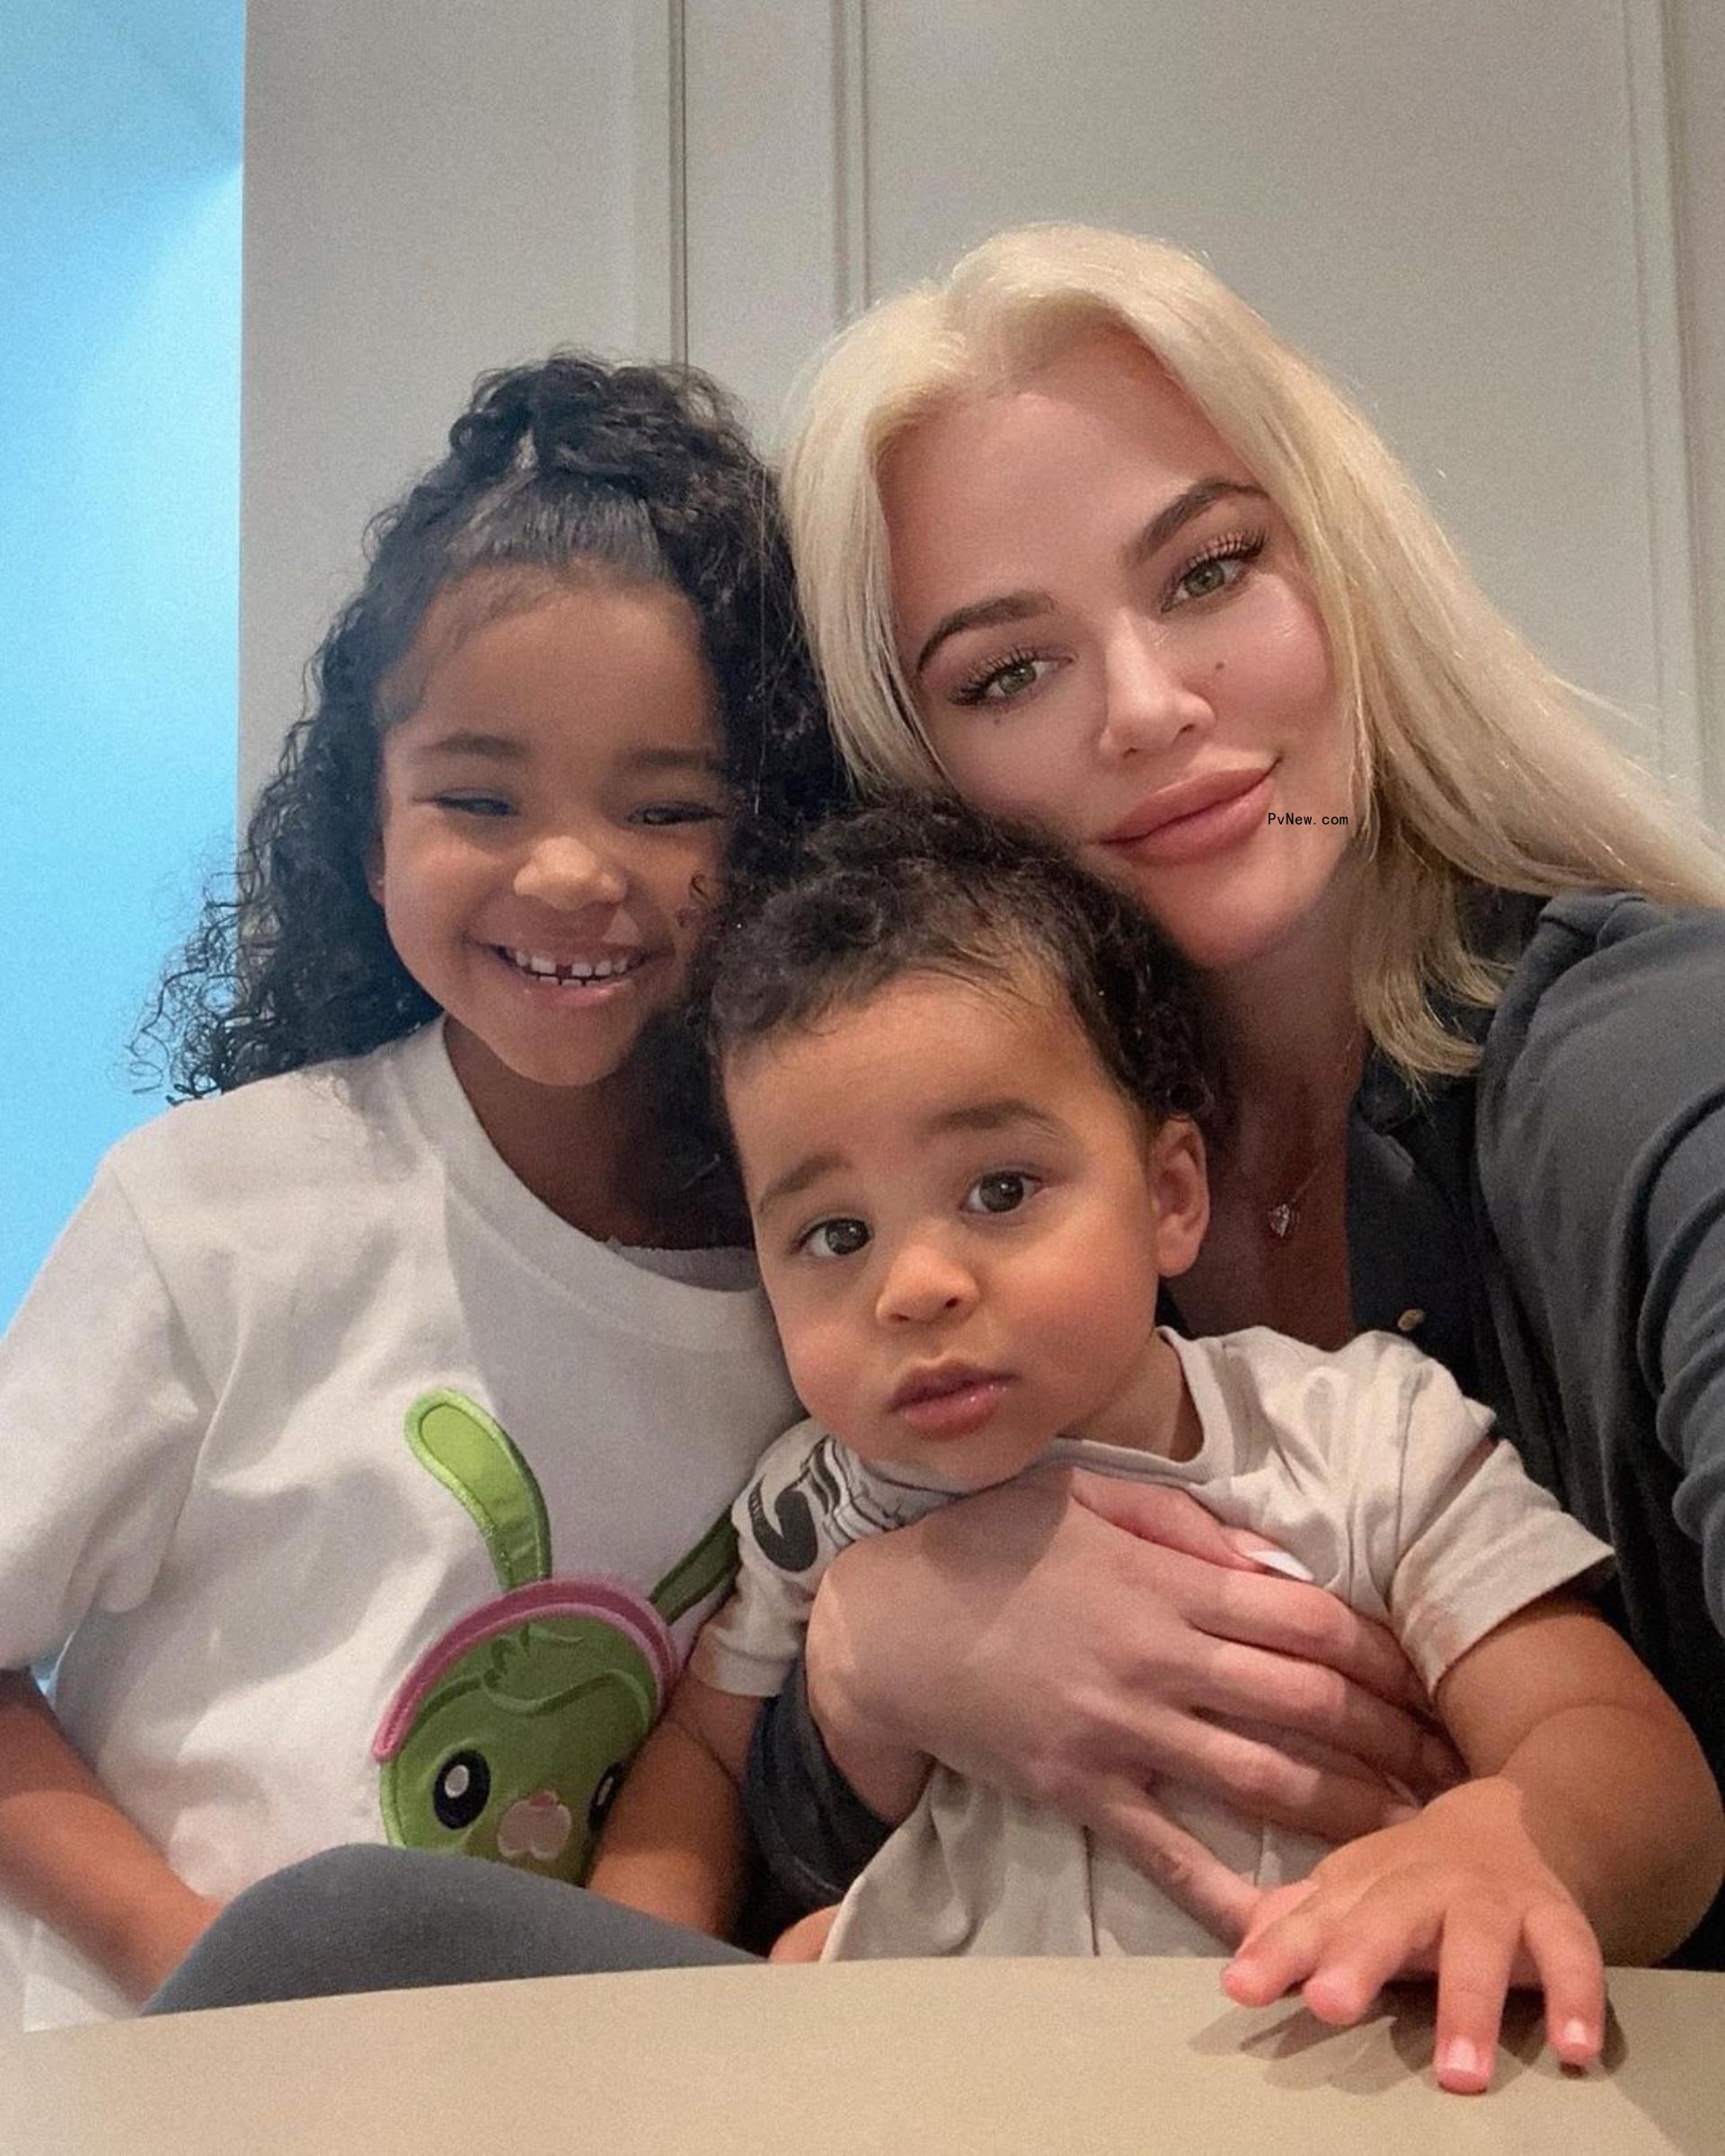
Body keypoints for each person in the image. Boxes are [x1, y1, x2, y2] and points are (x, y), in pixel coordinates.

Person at [755, 221, 1725, 1971]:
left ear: (1340, 565)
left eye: (1207, 572)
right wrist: (875, 1660)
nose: (1146, 707)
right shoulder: (963, 1190)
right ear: (916, 770)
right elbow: (814, 1880)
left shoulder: (1647, 1066)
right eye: (1009, 672)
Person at [587, 794, 1722, 2092]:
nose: (914, 1286)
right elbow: (704, 1758)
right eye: (834, 1236)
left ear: (1170, 1195)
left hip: (1305, 2080)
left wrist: (1512, 1850)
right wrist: (647, 2003)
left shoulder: (1359, 1437)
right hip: (944, 2097)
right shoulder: (819, 1504)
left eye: (1000, 1191)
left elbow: (1627, 1760)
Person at [0, 350, 841, 2028]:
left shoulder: (823, 1275)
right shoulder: (216, 1211)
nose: (571, 872)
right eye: (478, 796)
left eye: (669, 805)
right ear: (362, 826)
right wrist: (210, 1986)